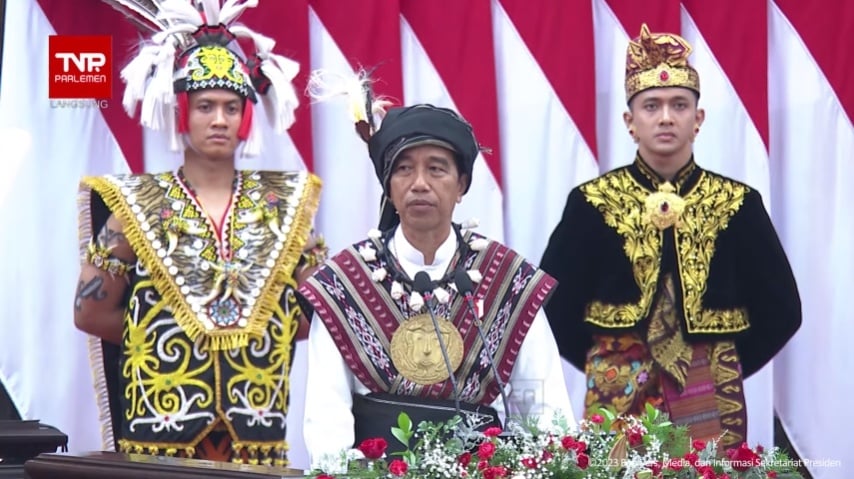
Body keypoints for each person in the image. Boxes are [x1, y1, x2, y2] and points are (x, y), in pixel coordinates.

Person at [73, 0, 323, 466]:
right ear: (181, 110)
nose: (220, 119)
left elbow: (317, 314)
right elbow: (90, 312)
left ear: (247, 115)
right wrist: (164, 341)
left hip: (257, 432)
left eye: (232, 107)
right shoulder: (133, 204)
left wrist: (258, 329)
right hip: (160, 433)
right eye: (205, 105)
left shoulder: (286, 205)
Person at [539, 24, 801, 449]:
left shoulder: (736, 201)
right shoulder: (593, 202)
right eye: (651, 105)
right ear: (630, 121)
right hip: (616, 379)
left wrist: (726, 363)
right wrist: (601, 359)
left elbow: (783, 308)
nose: (665, 117)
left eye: (679, 105)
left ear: (698, 119)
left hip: (712, 382)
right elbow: (552, 304)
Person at [298, 102, 574, 467]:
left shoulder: (506, 280)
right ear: (389, 185)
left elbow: (543, 409)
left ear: (461, 185)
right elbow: (327, 419)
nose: (420, 184)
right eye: (404, 169)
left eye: (436, 169)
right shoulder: (344, 284)